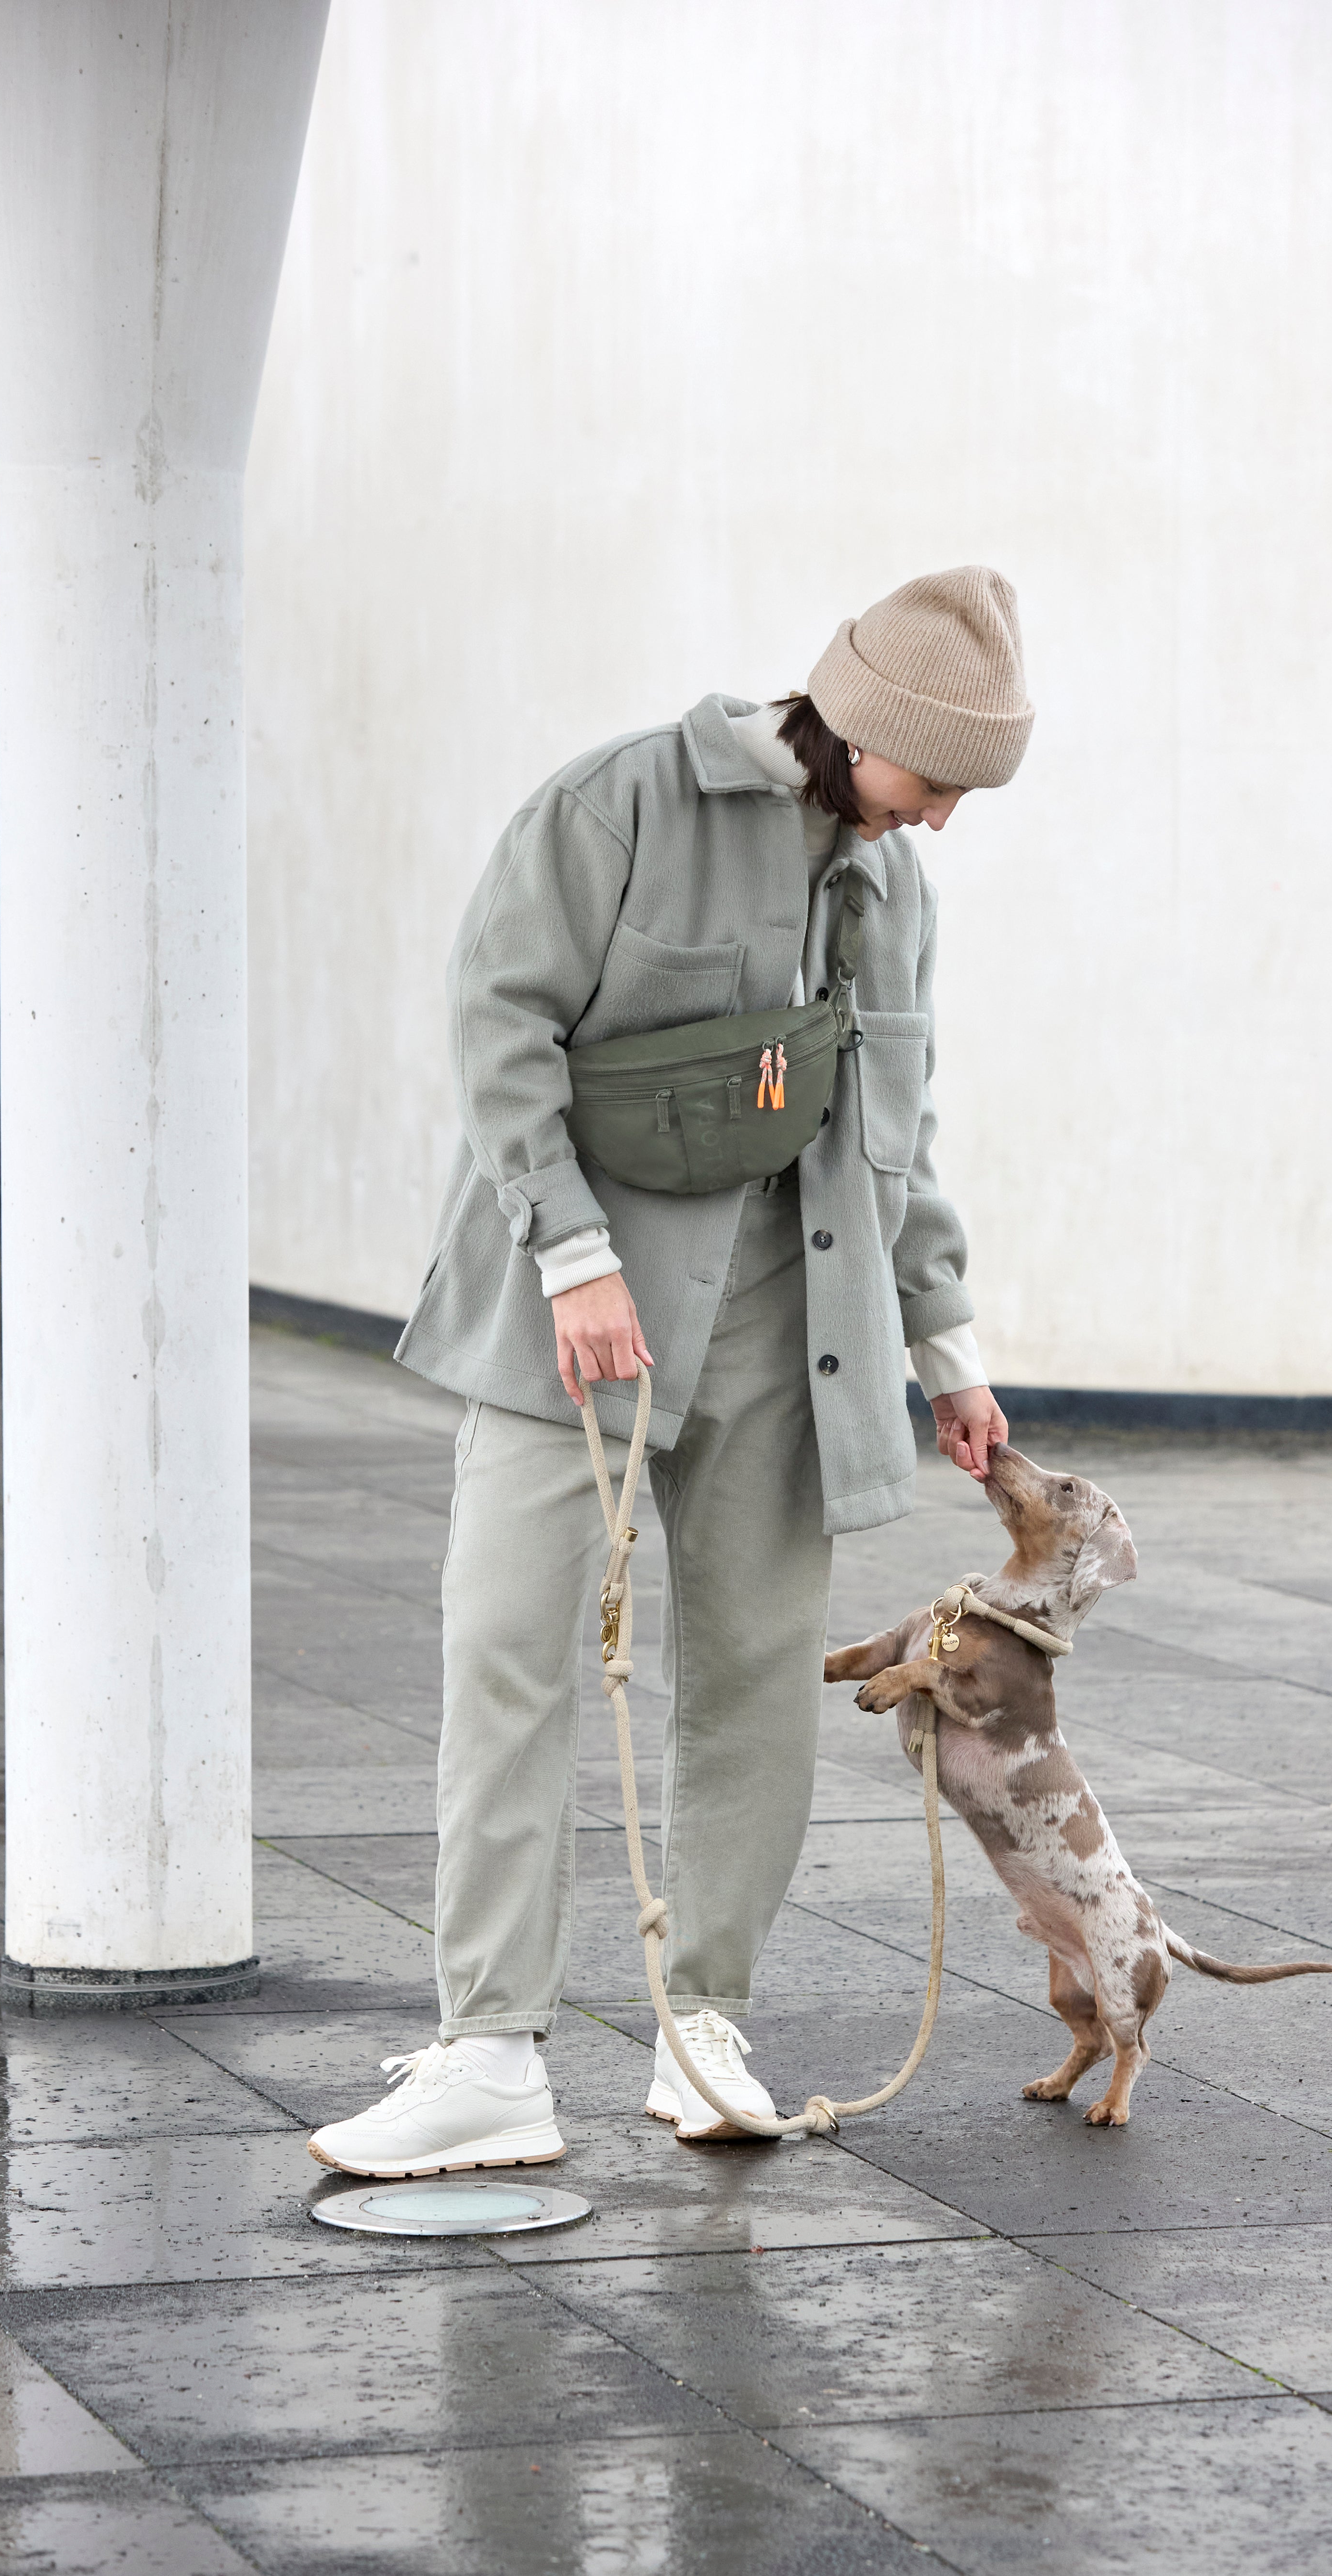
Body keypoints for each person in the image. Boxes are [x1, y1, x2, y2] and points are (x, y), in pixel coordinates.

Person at [309, 567, 1033, 2175]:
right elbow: (500, 1030)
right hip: (578, 1313)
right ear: (858, 727)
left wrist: (949, 1350)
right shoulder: (616, 802)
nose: (941, 822)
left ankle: (700, 2027)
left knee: (756, 1683)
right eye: (935, 782)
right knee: (506, 1655)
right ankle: (490, 2051)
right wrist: (567, 1251)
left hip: (795, 1325)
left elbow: (895, 1137)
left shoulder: (893, 888)